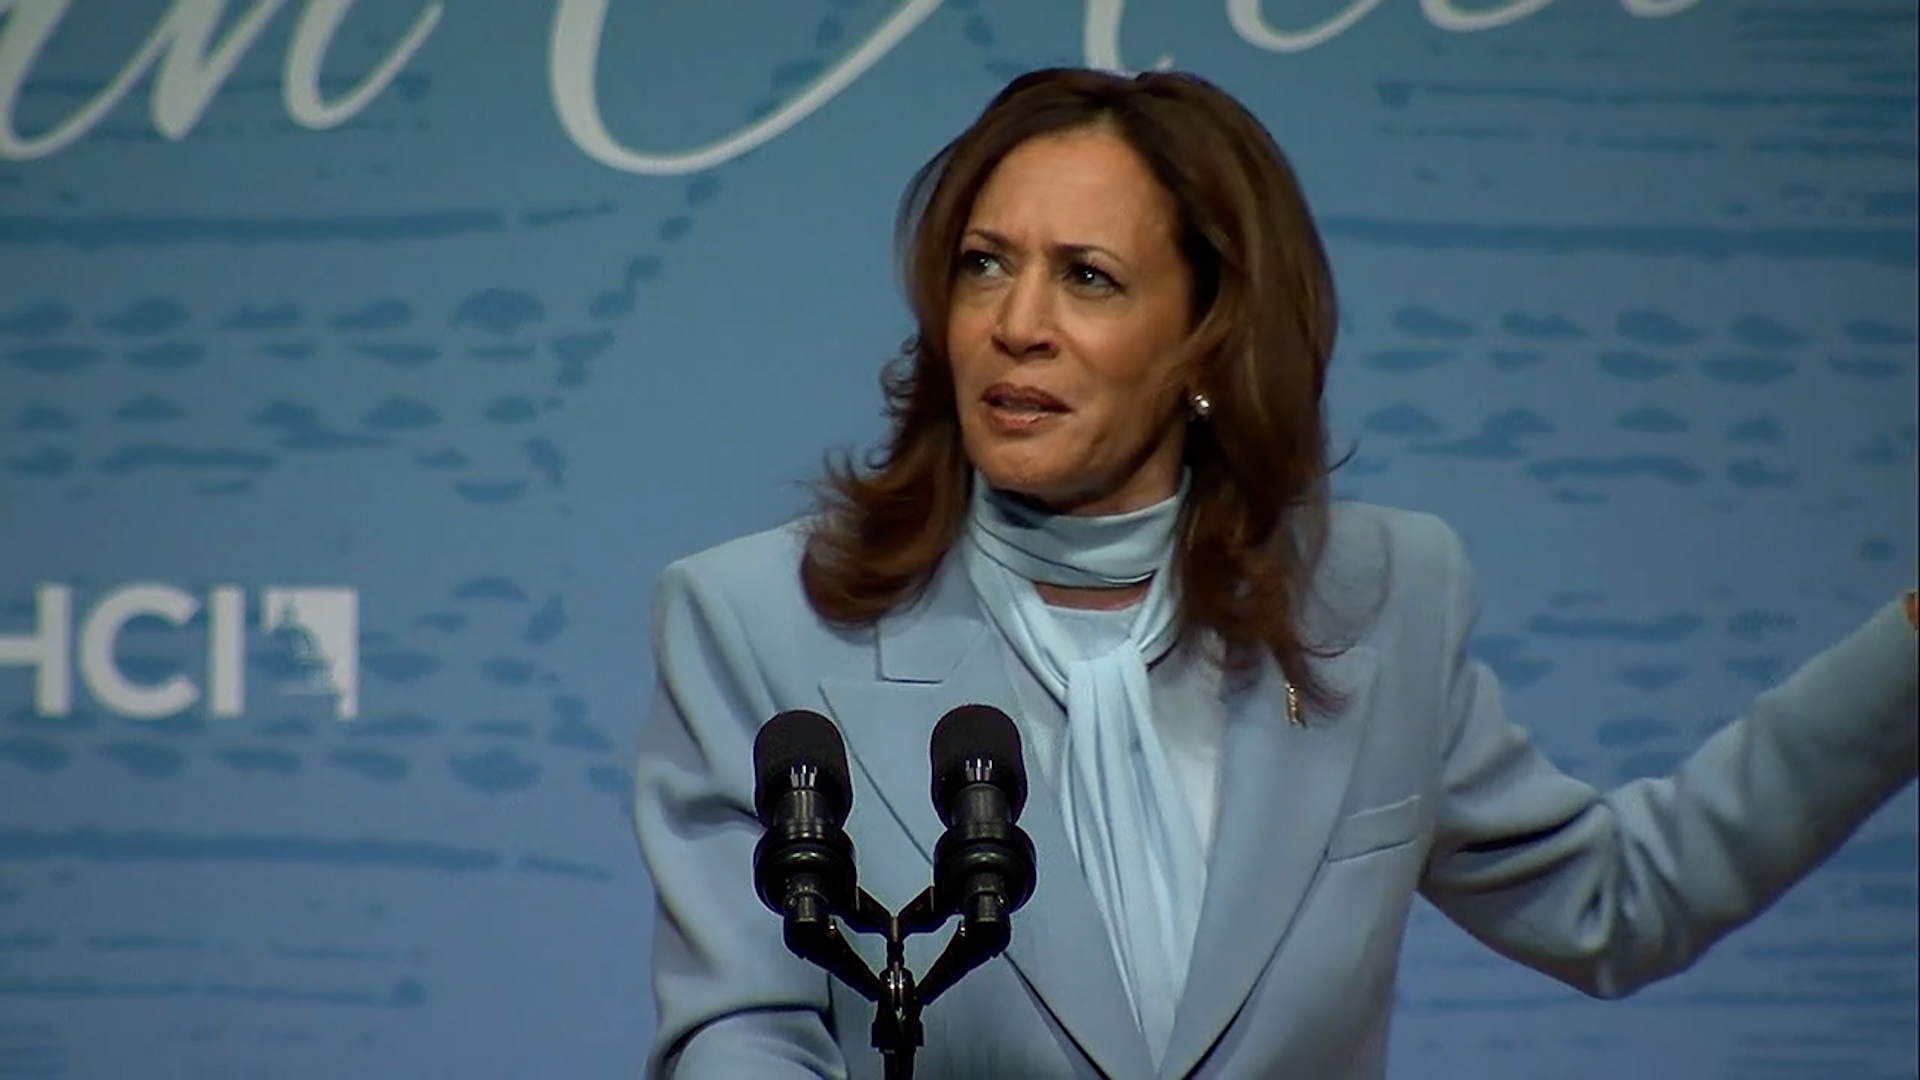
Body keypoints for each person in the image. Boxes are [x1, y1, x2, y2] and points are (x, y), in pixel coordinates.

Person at [631, 67, 1918, 1079]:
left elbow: (1619, 901)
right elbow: (740, 1037)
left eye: (1087, 277)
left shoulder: (1374, 598)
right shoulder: (758, 623)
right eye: (985, 263)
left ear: (1207, 341)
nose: (1015, 322)